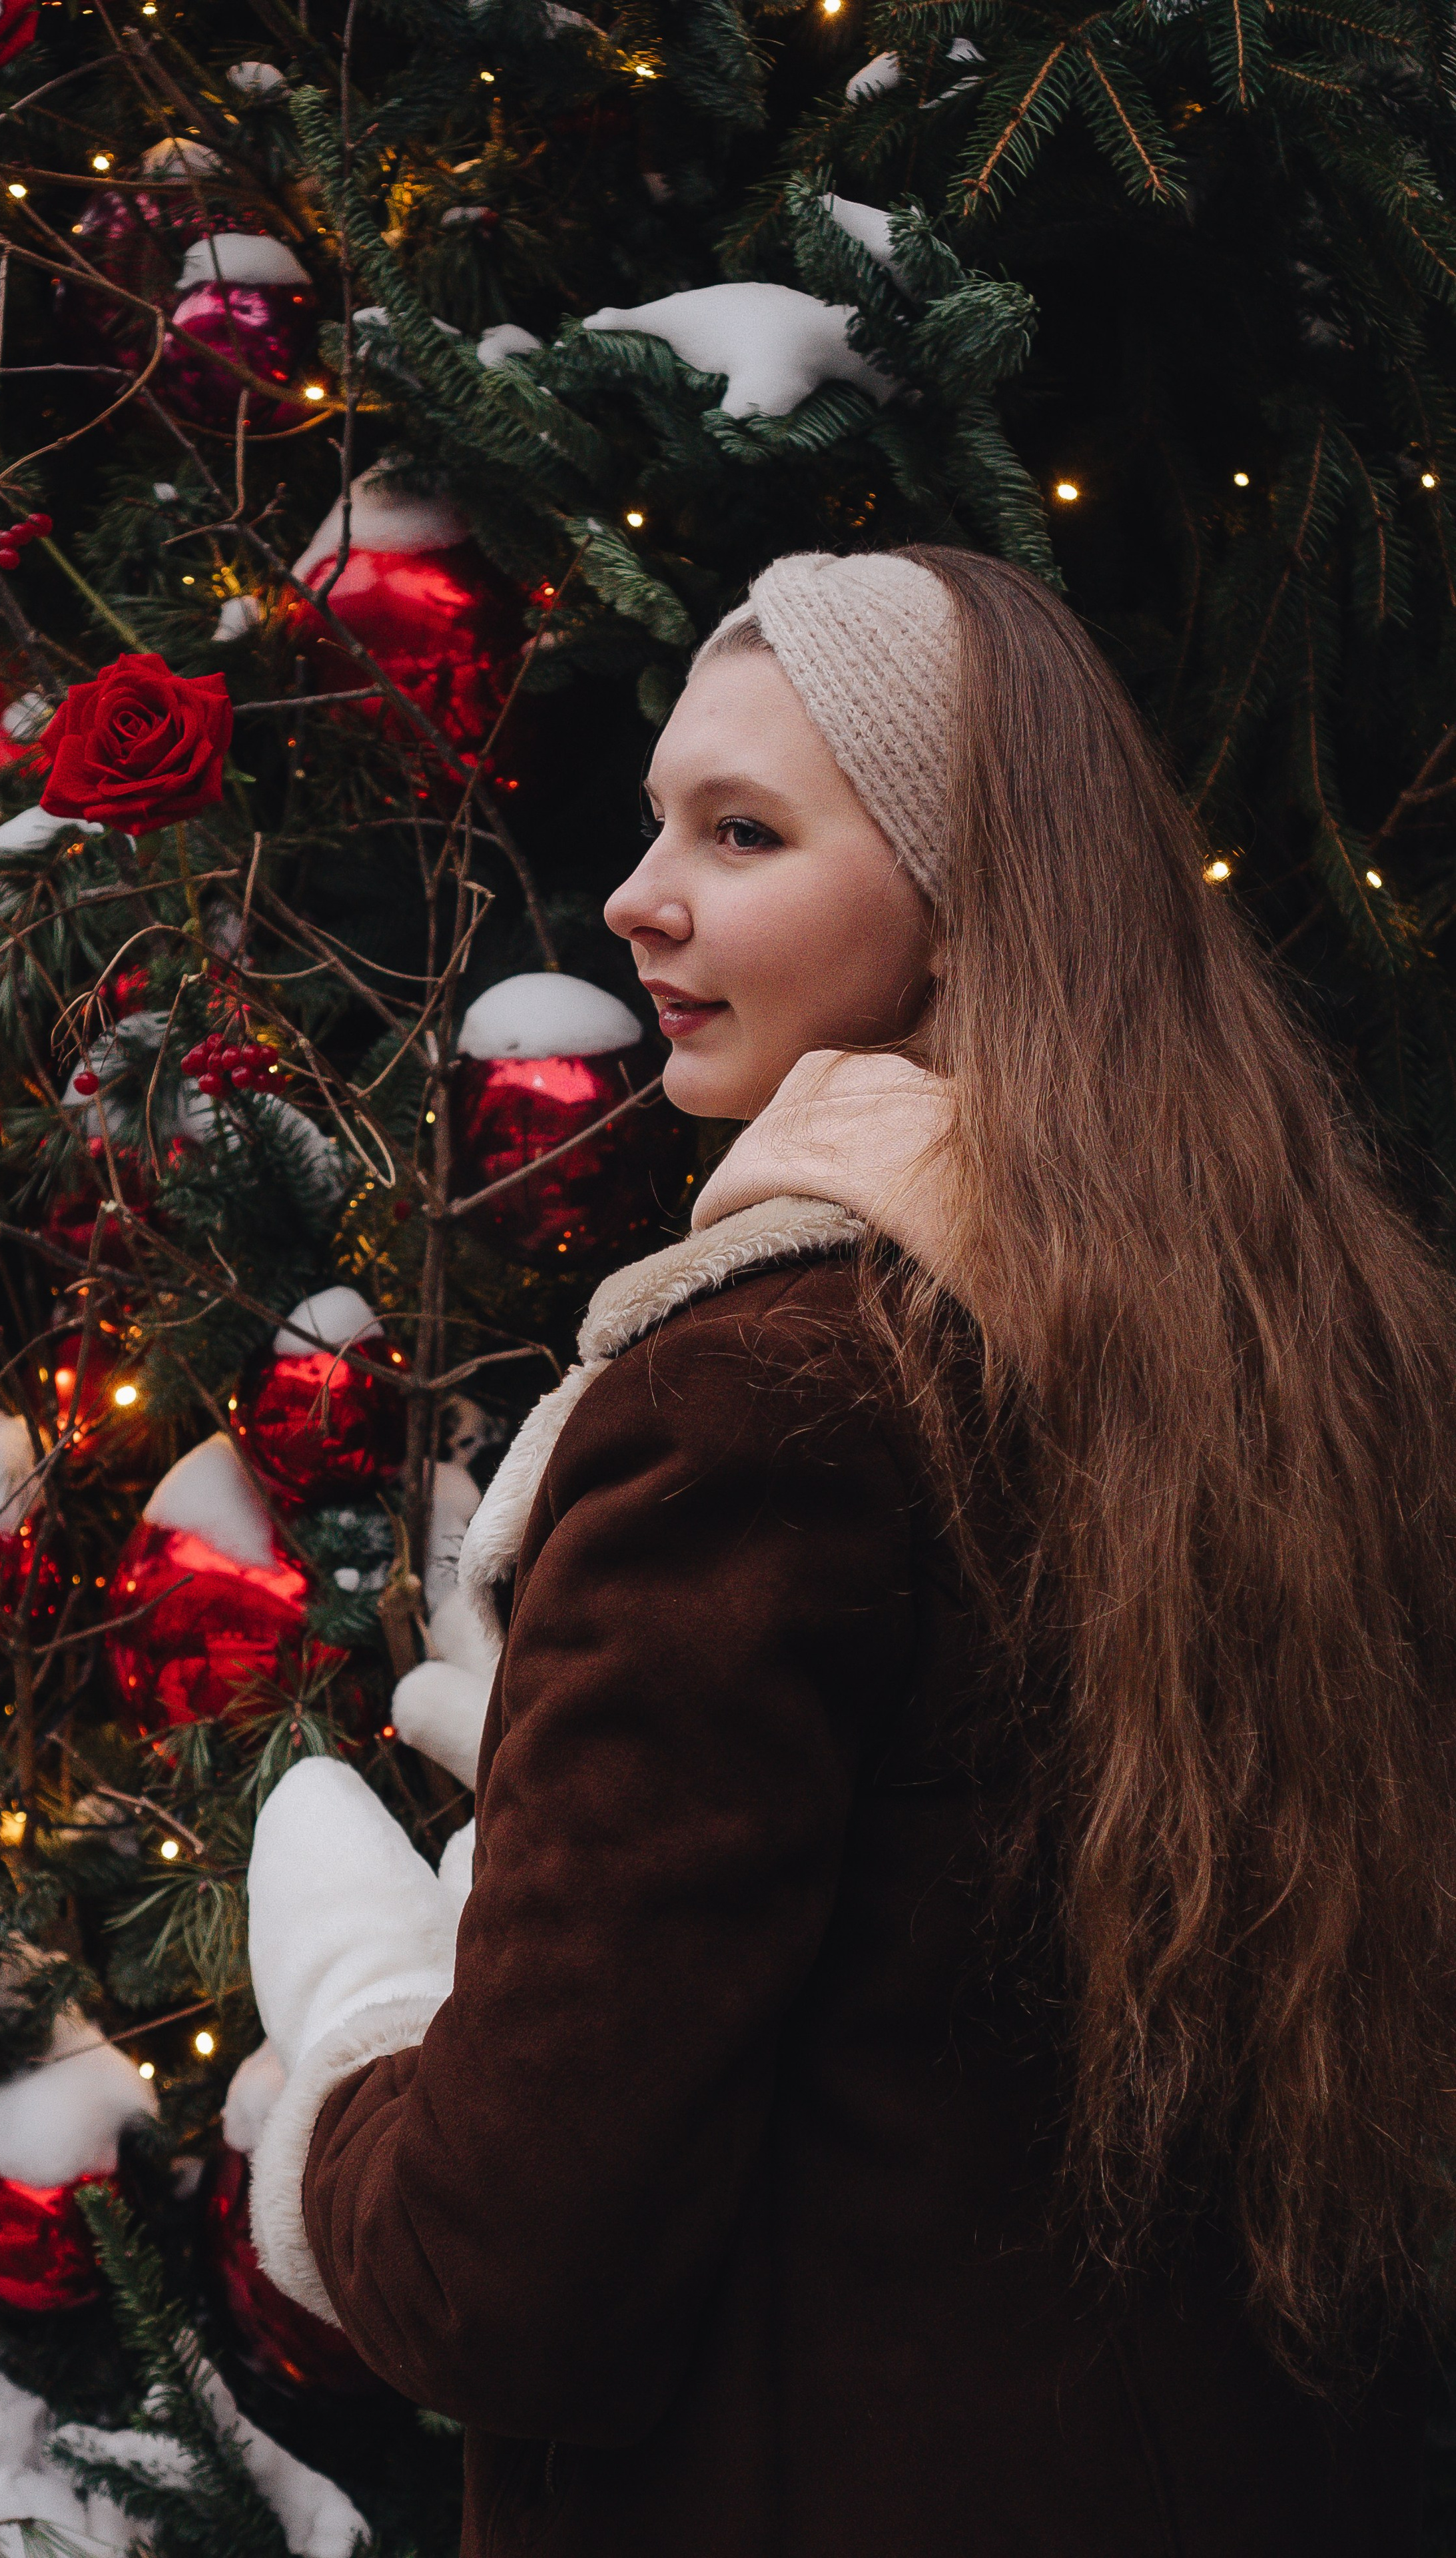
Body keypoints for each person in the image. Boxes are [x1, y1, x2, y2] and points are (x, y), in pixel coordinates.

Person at [242, 548, 1456, 2555]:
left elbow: (503, 2283)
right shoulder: (1289, 1350)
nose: (640, 898)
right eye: (655, 822)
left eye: (744, 830)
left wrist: (370, 2010)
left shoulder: (764, 1407)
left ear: (973, 901)